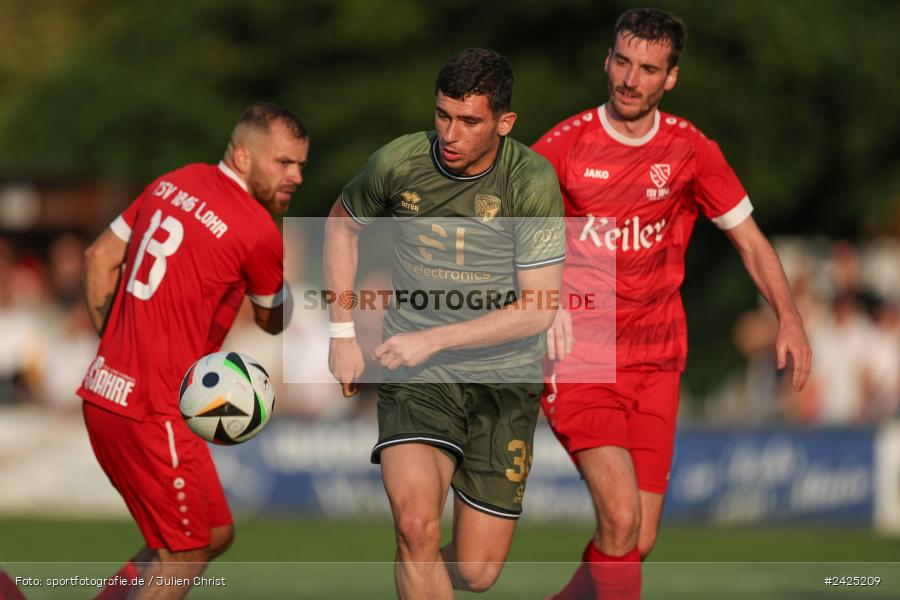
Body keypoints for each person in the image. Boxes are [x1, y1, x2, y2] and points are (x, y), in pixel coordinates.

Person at [532, 9, 812, 599]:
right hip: (581, 356)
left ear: (670, 78)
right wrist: (542, 298)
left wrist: (789, 317)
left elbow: (752, 242)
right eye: (623, 62)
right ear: (607, 60)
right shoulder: (561, 147)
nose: (630, 79)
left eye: (648, 69)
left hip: (658, 356)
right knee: (621, 520)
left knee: (637, 537)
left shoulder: (690, 150)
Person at [325, 49, 565, 598]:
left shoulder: (531, 182)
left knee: (477, 572)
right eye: (442, 115)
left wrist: (435, 338)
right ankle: (417, 563)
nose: (449, 134)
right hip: (418, 378)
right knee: (416, 528)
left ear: (504, 123)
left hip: (502, 381)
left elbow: (537, 308)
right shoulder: (397, 162)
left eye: (469, 121)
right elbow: (341, 227)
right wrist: (341, 335)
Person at [78, 102, 304, 599]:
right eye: (284, 163)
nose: (297, 177)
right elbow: (271, 321)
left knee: (213, 534)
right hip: (153, 409)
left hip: (105, 389)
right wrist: (284, 294)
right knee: (184, 554)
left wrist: (121, 350)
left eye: (300, 165)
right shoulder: (255, 227)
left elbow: (98, 258)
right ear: (244, 157)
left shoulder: (172, 182)